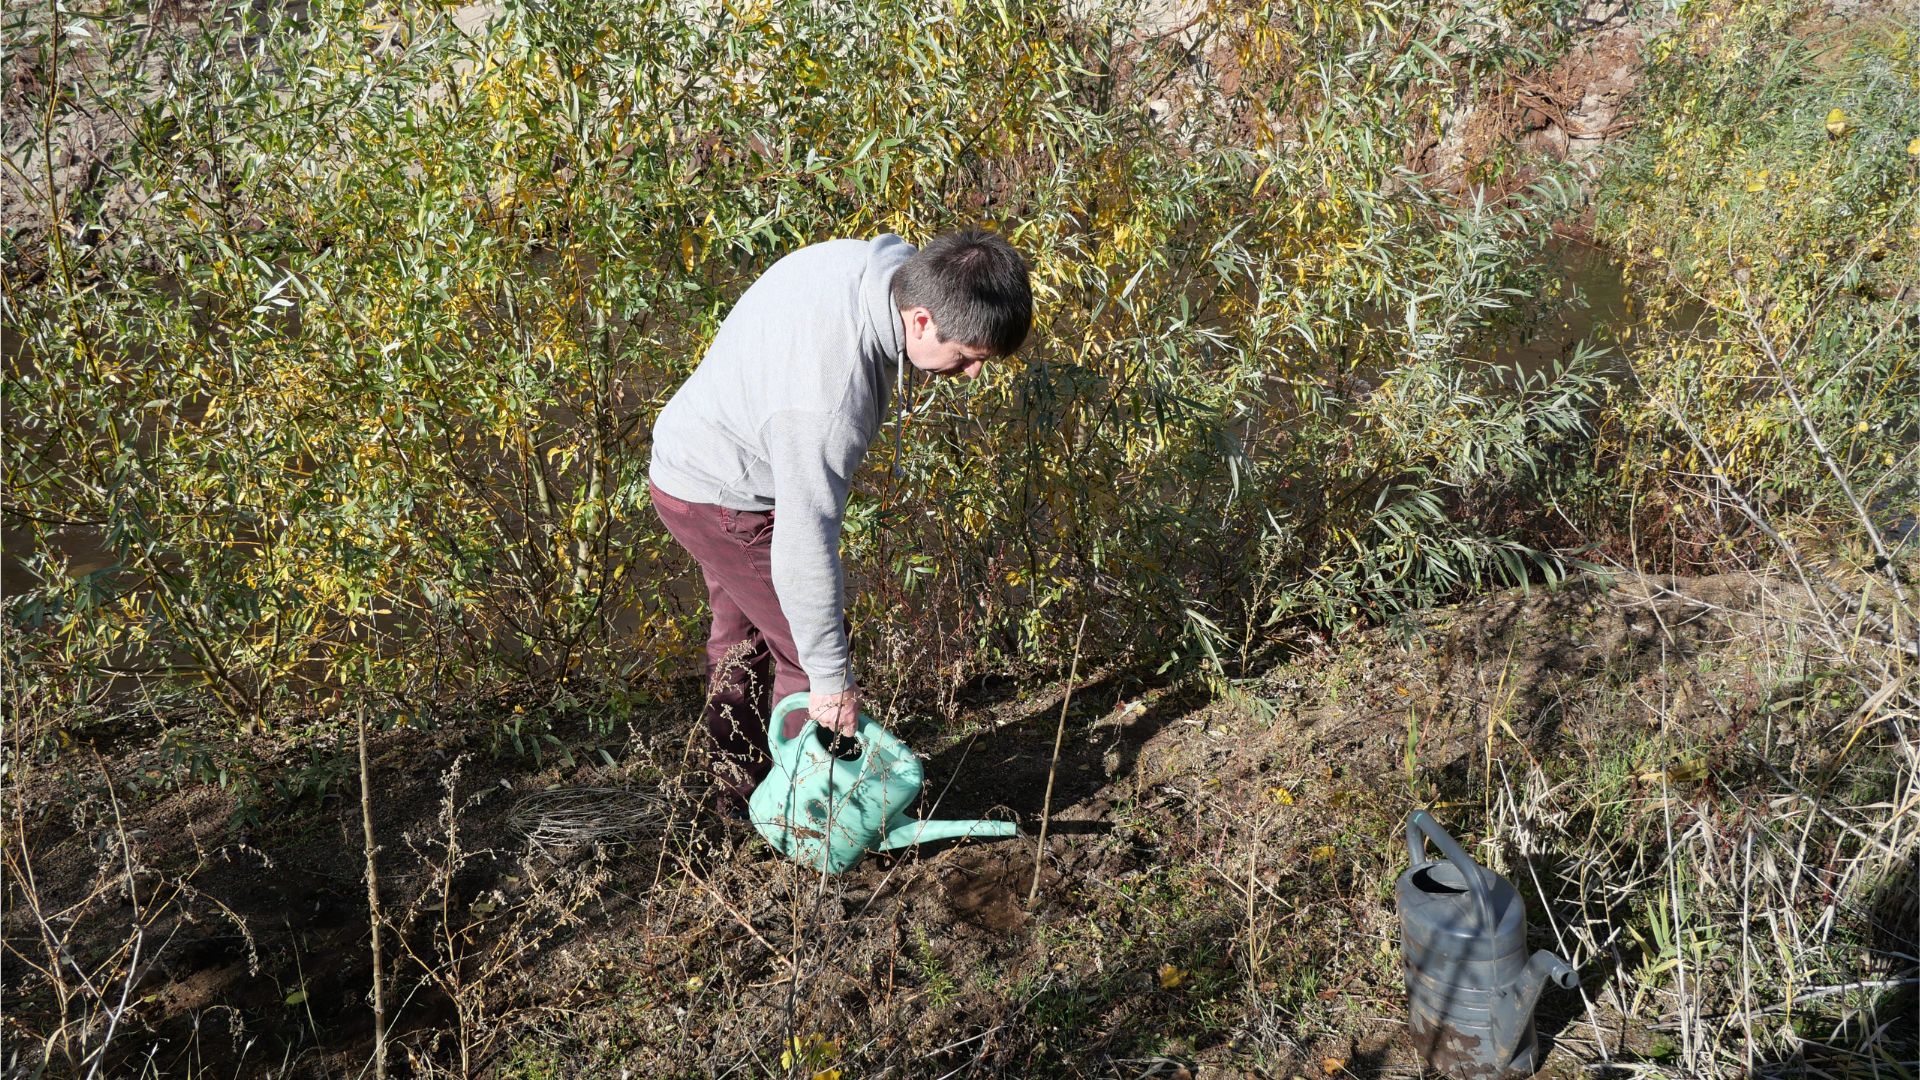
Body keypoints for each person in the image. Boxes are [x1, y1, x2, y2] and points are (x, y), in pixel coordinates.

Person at [648, 229, 1034, 813]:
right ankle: (809, 820)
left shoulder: (888, 270)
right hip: (722, 492)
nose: (972, 374)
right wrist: (831, 683)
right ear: (923, 320)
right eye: (968, 357)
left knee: (742, 638)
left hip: (701, 453)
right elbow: (803, 547)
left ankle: (736, 794)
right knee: (809, 659)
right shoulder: (827, 401)